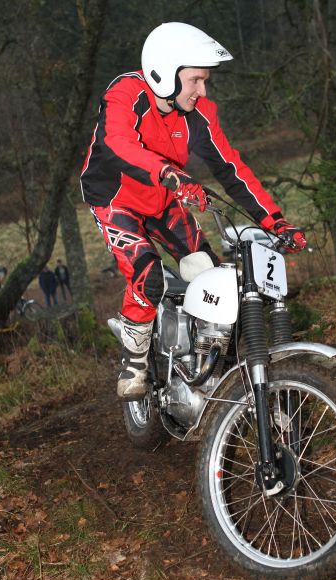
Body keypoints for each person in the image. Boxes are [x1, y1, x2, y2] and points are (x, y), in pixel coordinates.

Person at [80, 22, 306, 401]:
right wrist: (169, 172)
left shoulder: (200, 113)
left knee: (211, 275)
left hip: (164, 198)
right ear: (164, 72)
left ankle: (206, 359)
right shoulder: (126, 93)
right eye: (195, 81)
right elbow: (117, 142)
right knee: (148, 275)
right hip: (115, 199)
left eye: (205, 81)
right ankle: (134, 355)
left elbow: (231, 170)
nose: (203, 90)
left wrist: (276, 221)